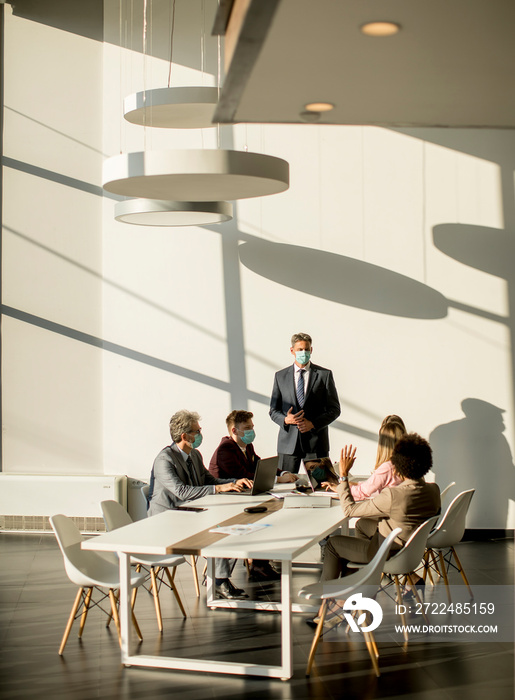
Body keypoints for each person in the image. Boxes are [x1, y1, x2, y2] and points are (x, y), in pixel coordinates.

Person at [308, 433, 440, 627]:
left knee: (334, 545)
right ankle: (355, 594)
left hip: (388, 553)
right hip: (410, 549)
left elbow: (350, 510)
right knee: (363, 524)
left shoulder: (394, 495)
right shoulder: (433, 489)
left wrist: (343, 476)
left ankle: (328, 607)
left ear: (398, 465)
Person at [147, 410, 253, 600]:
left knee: (224, 524)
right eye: (197, 431)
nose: (200, 434)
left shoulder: (194, 455)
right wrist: (220, 489)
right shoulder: (164, 460)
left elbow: (208, 480)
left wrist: (235, 482)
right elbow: (182, 492)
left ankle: (218, 578)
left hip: (188, 513)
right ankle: (219, 582)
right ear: (184, 436)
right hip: (166, 521)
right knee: (216, 530)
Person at [209, 409, 296, 581]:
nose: (251, 431)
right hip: (226, 504)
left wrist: (284, 472)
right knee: (263, 517)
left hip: (243, 498)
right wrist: (279, 479)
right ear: (234, 430)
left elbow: (260, 465)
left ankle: (260, 565)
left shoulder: (246, 446)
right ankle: (258, 566)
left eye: (252, 427)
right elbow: (245, 475)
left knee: (268, 516)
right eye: (247, 427)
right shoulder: (225, 449)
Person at [269, 332, 341, 473]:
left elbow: (334, 409)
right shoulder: (280, 376)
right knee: (286, 486)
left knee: (321, 486)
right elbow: (273, 411)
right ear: (292, 351)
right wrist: (286, 420)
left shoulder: (324, 375)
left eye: (307, 349)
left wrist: (313, 424)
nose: (304, 352)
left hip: (316, 444)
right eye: (300, 349)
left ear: (311, 350)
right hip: (288, 445)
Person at [322, 416, 406, 500]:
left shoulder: (388, 467)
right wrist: (353, 484)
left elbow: (362, 492)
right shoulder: (405, 465)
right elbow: (375, 486)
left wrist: (341, 484)